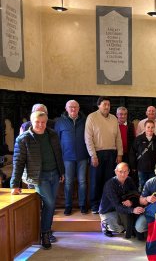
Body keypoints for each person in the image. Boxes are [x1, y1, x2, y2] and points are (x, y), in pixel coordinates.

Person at [10, 111, 65, 250]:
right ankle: (45, 233)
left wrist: (61, 171)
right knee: (50, 203)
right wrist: (14, 184)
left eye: (43, 122)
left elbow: (58, 154)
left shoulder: (52, 134)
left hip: (54, 174)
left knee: (50, 205)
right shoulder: (23, 139)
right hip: (38, 177)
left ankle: (46, 231)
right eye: (37, 122)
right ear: (31, 121)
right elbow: (18, 162)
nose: (41, 125)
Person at [85, 96, 123, 214]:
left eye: (108, 105)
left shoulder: (113, 118)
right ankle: (95, 205)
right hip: (97, 154)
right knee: (96, 181)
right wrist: (93, 155)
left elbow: (118, 138)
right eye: (104, 104)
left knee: (109, 181)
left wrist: (120, 154)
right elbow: (88, 138)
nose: (107, 107)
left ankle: (106, 204)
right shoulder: (92, 117)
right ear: (99, 105)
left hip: (112, 153)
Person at [54, 100, 89, 216]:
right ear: (66, 108)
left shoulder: (85, 121)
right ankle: (68, 206)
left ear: (79, 108)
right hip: (67, 157)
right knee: (68, 182)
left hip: (82, 156)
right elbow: (56, 141)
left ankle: (82, 205)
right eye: (70, 107)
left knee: (82, 182)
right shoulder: (59, 122)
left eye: (75, 107)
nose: (73, 109)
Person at [99, 162, 144, 238]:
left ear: (128, 172)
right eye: (120, 171)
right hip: (109, 210)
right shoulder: (110, 185)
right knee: (119, 229)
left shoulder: (129, 180)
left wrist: (131, 201)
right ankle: (105, 225)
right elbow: (116, 205)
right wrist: (132, 210)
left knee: (129, 228)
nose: (123, 174)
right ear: (116, 171)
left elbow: (136, 194)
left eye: (125, 171)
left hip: (122, 208)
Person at [129, 120, 156, 192]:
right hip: (141, 168)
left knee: (153, 185)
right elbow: (132, 153)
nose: (150, 129)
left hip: (154, 168)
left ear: (154, 128)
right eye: (148, 127)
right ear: (144, 128)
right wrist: (133, 166)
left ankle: (151, 201)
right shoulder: (138, 139)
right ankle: (142, 201)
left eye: (152, 127)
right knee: (142, 184)